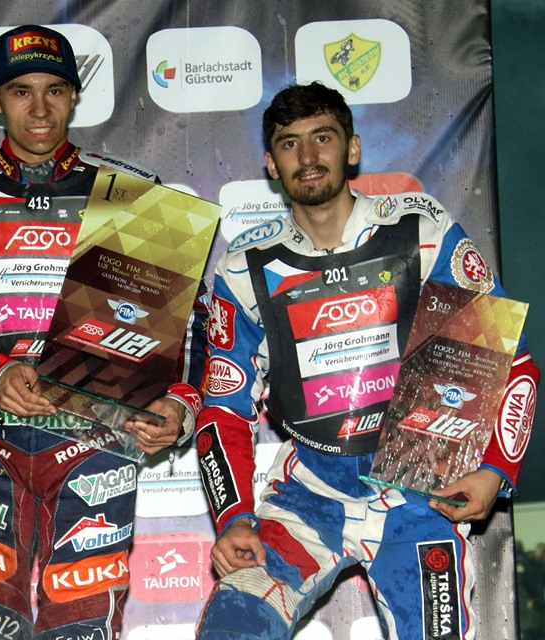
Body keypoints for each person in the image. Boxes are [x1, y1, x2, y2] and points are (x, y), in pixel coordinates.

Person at [0, 24, 207, 640]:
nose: (39, 109)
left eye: (54, 90)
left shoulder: (133, 196)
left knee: (83, 626)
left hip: (98, 440)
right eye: (20, 91)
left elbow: (186, 327)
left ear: (75, 97)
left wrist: (180, 403)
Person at [194, 82, 539, 639]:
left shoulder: (421, 232)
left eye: (323, 138)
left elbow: (509, 360)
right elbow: (223, 408)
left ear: (352, 148)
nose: (308, 157)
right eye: (290, 144)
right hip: (310, 496)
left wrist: (495, 470)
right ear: (271, 164)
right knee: (233, 625)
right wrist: (234, 517)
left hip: (421, 498)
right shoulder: (244, 267)